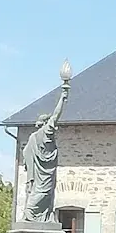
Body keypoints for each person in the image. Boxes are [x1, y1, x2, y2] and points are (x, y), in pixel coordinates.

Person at [22, 83, 69, 222]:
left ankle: (42, 216)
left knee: (44, 194)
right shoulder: (44, 133)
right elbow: (56, 115)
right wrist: (63, 97)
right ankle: (29, 213)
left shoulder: (33, 137)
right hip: (43, 173)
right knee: (42, 193)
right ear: (45, 123)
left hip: (42, 172)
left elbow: (26, 153)